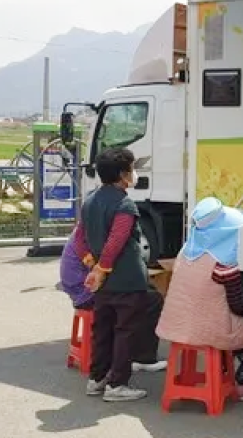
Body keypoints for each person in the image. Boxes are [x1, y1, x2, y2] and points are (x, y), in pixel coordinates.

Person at [155, 197, 243, 401]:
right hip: (209, 329)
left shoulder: (185, 252)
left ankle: (217, 374)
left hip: (177, 326)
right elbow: (238, 305)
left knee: (229, 327)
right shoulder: (223, 262)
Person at [76, 147, 166, 402]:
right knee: (125, 331)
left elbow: (79, 239)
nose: (134, 173)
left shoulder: (91, 200)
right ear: (122, 174)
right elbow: (117, 240)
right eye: (131, 169)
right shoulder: (124, 203)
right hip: (127, 279)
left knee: (102, 330)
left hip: (103, 286)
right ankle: (118, 384)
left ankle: (96, 379)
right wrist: (102, 268)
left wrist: (92, 264)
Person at [59, 229, 166, 374]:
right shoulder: (94, 236)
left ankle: (132, 354)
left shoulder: (83, 231)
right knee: (151, 299)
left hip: (79, 291)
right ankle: (142, 358)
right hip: (88, 294)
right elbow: (109, 268)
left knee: (145, 292)